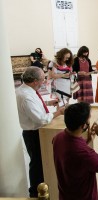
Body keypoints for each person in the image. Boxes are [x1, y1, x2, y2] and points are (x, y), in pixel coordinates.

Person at [16, 67, 64, 197]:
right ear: (34, 81)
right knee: (37, 164)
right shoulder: (26, 96)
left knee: (40, 162)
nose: (44, 82)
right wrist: (58, 112)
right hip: (33, 134)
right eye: (43, 79)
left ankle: (43, 186)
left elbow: (35, 107)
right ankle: (36, 192)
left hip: (35, 131)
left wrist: (48, 102)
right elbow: (41, 119)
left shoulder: (27, 90)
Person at [53, 102, 98, 200]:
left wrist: (88, 141)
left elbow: (74, 158)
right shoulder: (84, 154)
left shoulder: (58, 138)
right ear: (83, 126)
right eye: (89, 120)